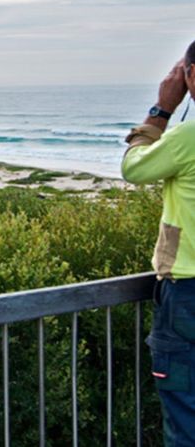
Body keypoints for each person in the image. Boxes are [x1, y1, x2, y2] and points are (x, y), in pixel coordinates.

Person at [122, 45, 195, 445]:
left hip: (188, 293)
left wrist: (162, 110)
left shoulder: (187, 136)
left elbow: (134, 168)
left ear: (190, 76)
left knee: (185, 413)